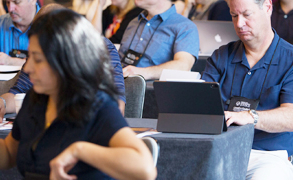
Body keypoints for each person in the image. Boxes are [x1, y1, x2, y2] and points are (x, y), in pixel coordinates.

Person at [0, 9, 157, 180]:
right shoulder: (35, 100)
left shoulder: (96, 106)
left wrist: (79, 150)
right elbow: (8, 152)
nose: (27, 68)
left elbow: (145, 169)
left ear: (64, 61)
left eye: (38, 59)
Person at [202, 0, 293, 179]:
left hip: (269, 157)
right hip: (220, 150)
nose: (239, 24)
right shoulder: (220, 56)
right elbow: (201, 103)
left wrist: (250, 116)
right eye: (234, 16)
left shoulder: (290, 59)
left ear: (267, 7)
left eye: (246, 15)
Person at [0, 3, 126, 123]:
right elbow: (18, 92)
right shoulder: (39, 49)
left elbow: (117, 107)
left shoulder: (101, 48)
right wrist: (1, 102)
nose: (28, 68)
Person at [119, 0, 199, 80]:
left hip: (150, 90)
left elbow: (183, 66)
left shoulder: (184, 26)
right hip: (117, 86)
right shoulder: (134, 22)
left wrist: (142, 73)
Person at [0, 0, 40, 66]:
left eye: (16, 2)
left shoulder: (51, 25)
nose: (10, 9)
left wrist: (11, 61)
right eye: (8, 2)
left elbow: (50, 66)